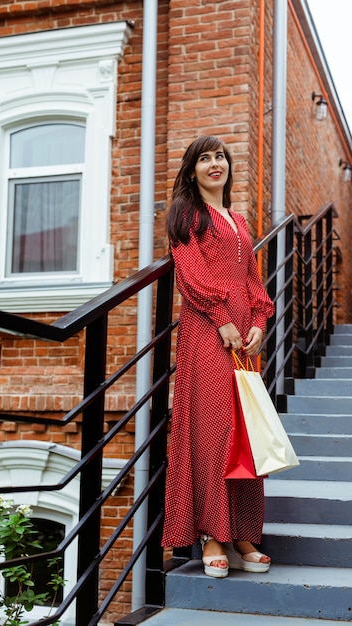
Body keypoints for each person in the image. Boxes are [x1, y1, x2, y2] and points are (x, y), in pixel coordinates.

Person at [161, 135, 275, 578]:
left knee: (245, 433)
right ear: (192, 170)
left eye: (221, 157)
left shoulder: (239, 221)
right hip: (208, 336)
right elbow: (191, 273)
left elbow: (252, 282)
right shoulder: (187, 215)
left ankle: (242, 533)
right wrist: (221, 316)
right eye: (205, 158)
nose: (215, 164)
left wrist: (260, 323)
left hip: (243, 344)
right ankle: (212, 535)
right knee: (213, 430)